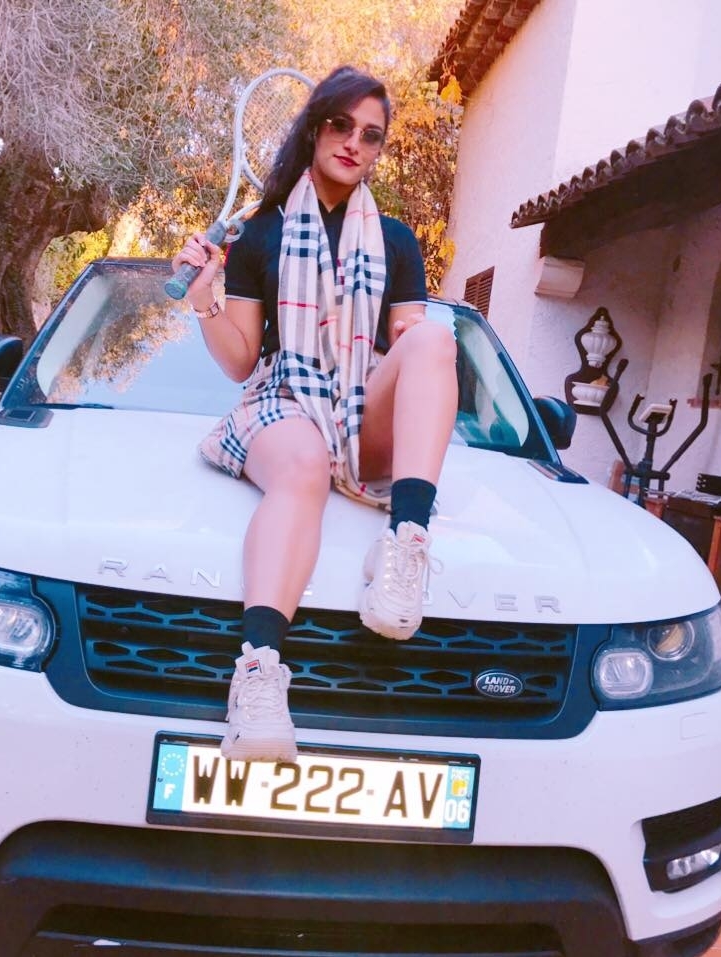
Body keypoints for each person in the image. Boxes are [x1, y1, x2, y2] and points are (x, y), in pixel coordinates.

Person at [172, 65, 458, 763]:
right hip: (286, 399)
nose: (354, 143)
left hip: (360, 406)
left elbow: (409, 345)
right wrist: (205, 297)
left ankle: (404, 546)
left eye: (371, 135)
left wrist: (396, 351)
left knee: (433, 338)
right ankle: (258, 676)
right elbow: (240, 360)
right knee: (302, 463)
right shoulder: (260, 235)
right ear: (314, 128)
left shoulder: (395, 241)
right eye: (341, 125)